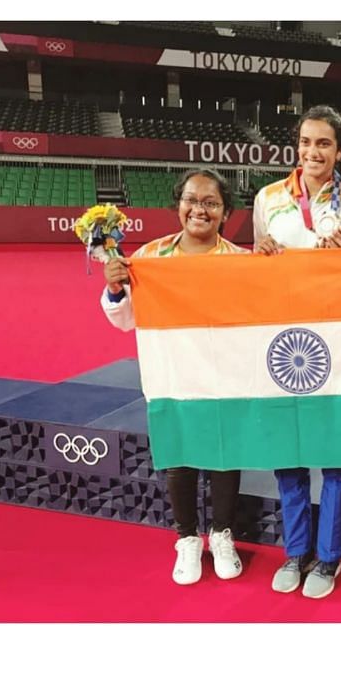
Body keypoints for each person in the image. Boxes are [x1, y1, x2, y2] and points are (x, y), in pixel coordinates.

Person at [253, 105, 341, 599]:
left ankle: (327, 560)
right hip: (284, 345)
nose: (312, 152)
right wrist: (259, 257)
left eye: (323, 144)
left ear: (339, 151)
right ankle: (295, 551)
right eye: (305, 142)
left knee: (336, 459)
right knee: (289, 455)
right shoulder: (268, 200)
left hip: (339, 345)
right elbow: (255, 273)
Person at [101, 168, 248, 586]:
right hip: (172, 374)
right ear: (177, 205)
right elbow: (125, 318)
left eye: (210, 202)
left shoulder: (241, 263)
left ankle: (221, 534)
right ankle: (186, 538)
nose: (198, 209)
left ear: (225, 213)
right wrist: (115, 290)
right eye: (191, 199)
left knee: (223, 457)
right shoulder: (150, 258)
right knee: (179, 461)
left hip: (225, 378)